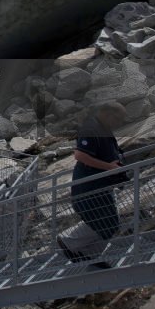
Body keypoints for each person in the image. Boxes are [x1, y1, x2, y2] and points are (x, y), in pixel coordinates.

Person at [58, 101, 128, 268]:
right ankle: (68, 241)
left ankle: (90, 255)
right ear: (106, 113)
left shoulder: (103, 129)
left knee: (110, 222)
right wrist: (110, 167)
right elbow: (80, 155)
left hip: (101, 184)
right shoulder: (91, 129)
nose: (119, 123)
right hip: (89, 186)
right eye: (118, 119)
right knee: (102, 220)